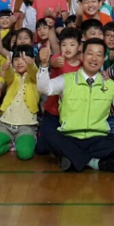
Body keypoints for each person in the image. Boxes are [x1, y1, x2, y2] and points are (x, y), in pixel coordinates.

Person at [37, 39, 114, 173]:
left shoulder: (110, 85)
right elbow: (44, 88)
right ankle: (94, 162)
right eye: (90, 53)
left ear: (103, 59)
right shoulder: (67, 79)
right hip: (70, 137)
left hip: (98, 139)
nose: (94, 58)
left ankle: (73, 157)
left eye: (99, 54)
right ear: (82, 56)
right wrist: (43, 65)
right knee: (49, 135)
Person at [0, 45, 40, 161]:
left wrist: (31, 64)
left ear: (32, 60)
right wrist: (7, 68)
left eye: (24, 59)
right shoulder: (13, 76)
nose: (19, 62)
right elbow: (9, 76)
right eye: (16, 59)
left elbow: (34, 72)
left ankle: (26, 140)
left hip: (27, 127)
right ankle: (10, 145)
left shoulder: (37, 76)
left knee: (25, 154)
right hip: (5, 125)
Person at [35, 28, 82, 156]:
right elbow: (53, 62)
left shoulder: (83, 65)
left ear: (79, 47)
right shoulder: (58, 58)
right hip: (53, 111)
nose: (67, 48)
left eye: (72, 44)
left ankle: (62, 151)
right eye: (64, 44)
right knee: (41, 148)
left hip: (72, 114)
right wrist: (52, 62)